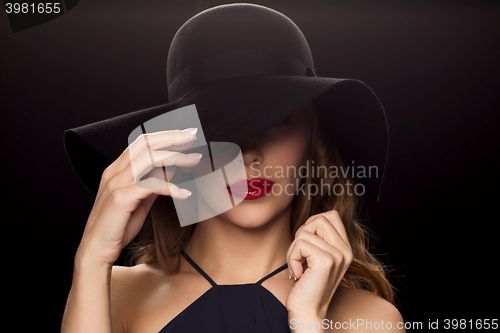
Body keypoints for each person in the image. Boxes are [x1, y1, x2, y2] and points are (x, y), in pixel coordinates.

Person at [61, 3, 404, 333]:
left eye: (279, 118)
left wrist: (310, 322)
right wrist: (91, 258)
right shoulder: (113, 294)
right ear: (178, 144)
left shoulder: (370, 319)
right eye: (218, 126)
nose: (248, 154)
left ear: (312, 141)